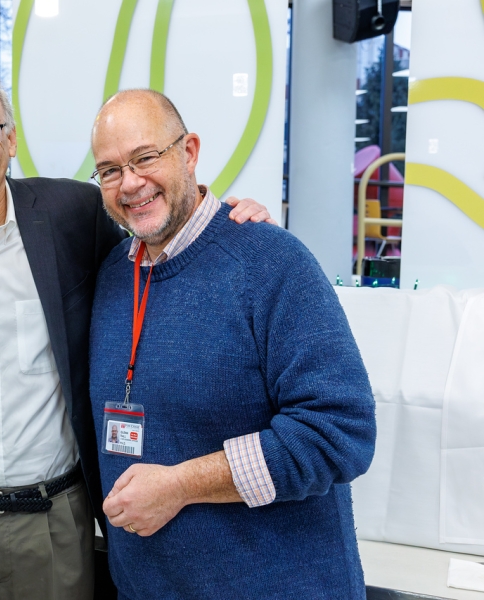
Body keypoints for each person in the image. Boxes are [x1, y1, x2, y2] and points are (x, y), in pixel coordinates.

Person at [0, 76, 275, 599]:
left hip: (53, 519)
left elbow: (161, 239)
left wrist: (224, 221)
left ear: (10, 140)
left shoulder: (73, 213)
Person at [87, 89, 377, 599]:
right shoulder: (114, 274)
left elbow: (338, 433)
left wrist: (180, 485)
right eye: (110, 170)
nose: (130, 183)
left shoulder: (270, 261)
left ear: (190, 152)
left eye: (145, 157)